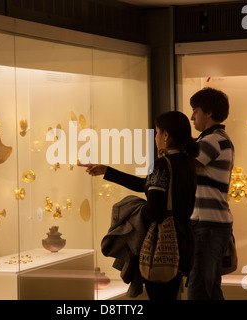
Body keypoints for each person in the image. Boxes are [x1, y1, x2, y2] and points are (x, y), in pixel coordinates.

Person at [80, 111, 199, 300]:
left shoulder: (162, 164)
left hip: (162, 245)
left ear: (166, 136)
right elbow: (146, 185)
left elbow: (155, 210)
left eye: (157, 132)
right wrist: (107, 171)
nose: (156, 138)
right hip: (184, 240)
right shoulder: (188, 163)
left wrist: (133, 210)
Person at [187, 87, 235, 300]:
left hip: (209, 224)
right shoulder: (214, 139)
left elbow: (183, 167)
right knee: (208, 288)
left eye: (195, 111)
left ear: (208, 112)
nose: (191, 117)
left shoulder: (212, 140)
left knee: (200, 289)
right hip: (210, 223)